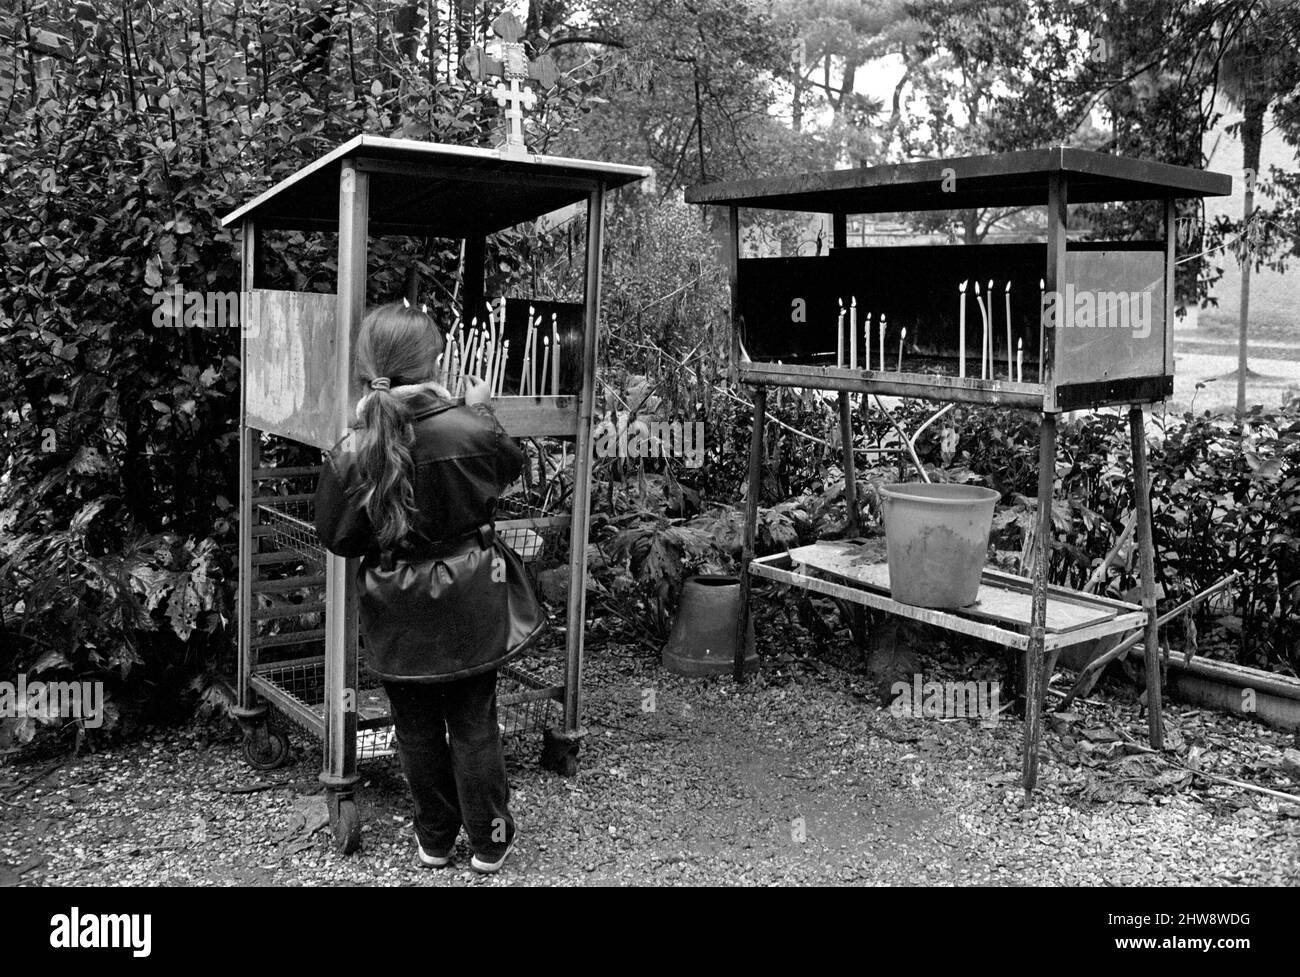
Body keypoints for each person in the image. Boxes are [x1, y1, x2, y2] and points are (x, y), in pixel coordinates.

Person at [313, 300, 543, 873]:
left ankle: (435, 841)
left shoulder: (352, 449)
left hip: (396, 607)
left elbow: (337, 538)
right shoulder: (471, 425)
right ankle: (490, 842)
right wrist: (483, 410)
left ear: (369, 368)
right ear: (433, 363)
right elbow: (511, 469)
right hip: (471, 594)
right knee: (473, 720)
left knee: (412, 726)